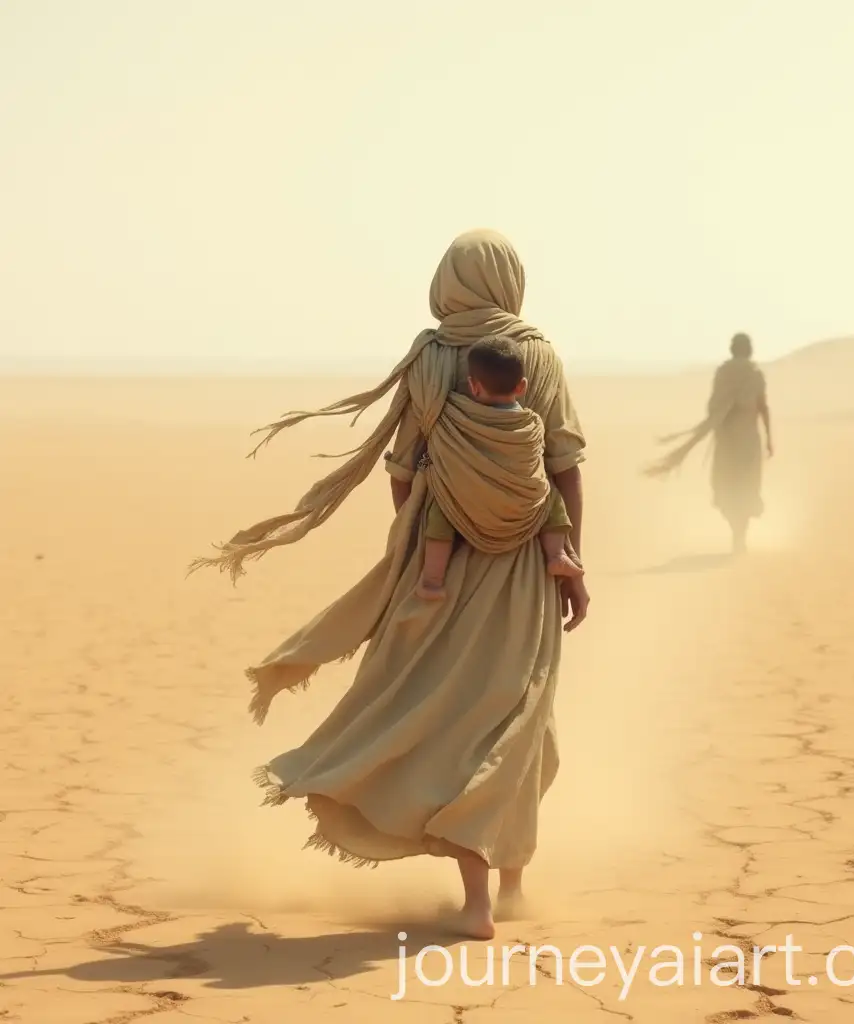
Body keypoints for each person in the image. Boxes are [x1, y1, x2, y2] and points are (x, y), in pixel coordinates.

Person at [190, 229, 590, 940]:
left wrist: (425, 540)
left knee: (446, 715)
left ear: (449, 282)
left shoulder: (432, 359)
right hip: (526, 567)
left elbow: (403, 470)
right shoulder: (540, 356)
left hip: (445, 562)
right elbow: (564, 465)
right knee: (516, 718)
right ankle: (507, 888)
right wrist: (572, 562)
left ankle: (483, 896)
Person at [417, 334, 583, 600]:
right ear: (523, 386)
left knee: (442, 506)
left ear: (473, 386)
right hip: (523, 505)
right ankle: (557, 554)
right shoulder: (532, 424)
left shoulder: (461, 418)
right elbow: (547, 460)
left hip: (468, 503)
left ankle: (432, 579)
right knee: (550, 495)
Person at [648, 331, 772, 553]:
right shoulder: (755, 374)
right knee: (745, 486)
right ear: (749, 349)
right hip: (747, 443)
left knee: (728, 486)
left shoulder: (724, 373)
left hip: (728, 441)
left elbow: (714, 406)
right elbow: (763, 407)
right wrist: (770, 438)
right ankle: (739, 535)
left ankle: (737, 534)